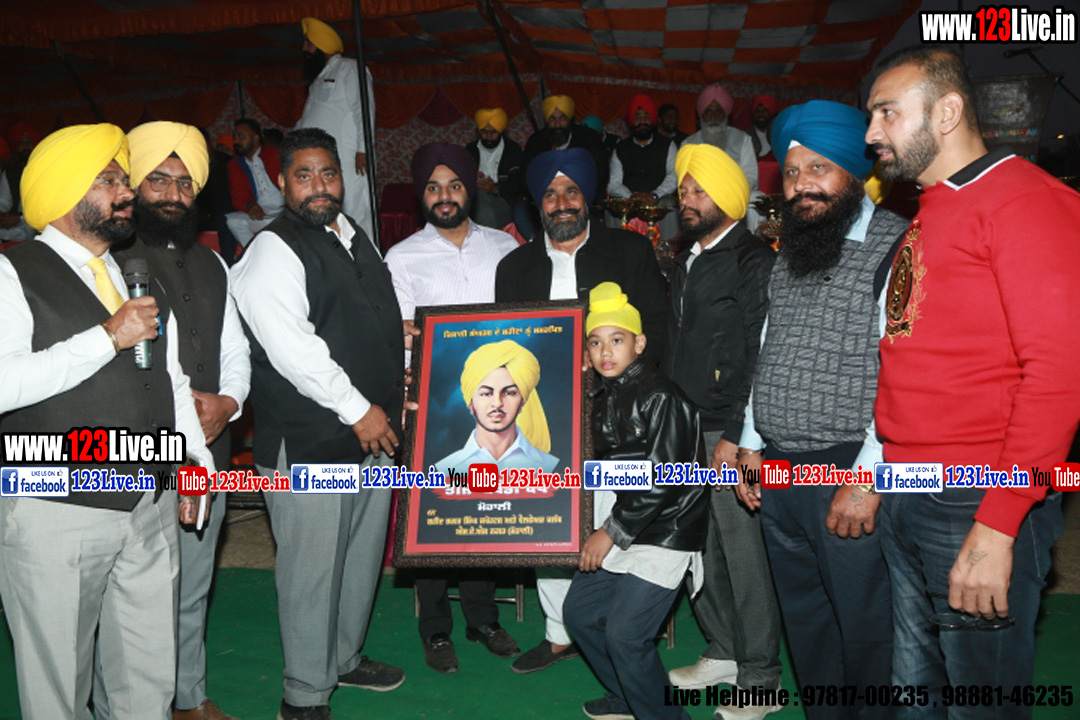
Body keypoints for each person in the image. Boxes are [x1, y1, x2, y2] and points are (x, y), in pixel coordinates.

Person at [866, 46, 1080, 717]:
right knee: (917, 696)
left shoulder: (1027, 201)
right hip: (908, 490)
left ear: (948, 111)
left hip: (973, 499)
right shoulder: (931, 208)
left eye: (887, 113)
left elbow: (1060, 375)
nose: (872, 132)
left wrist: (998, 523)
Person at [0, 122, 214, 719]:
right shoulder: (12, 273)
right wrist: (106, 337)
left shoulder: (130, 271)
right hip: (56, 509)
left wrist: (195, 463)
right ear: (65, 191)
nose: (126, 192)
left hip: (149, 505)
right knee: (58, 691)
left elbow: (170, 381)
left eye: (123, 179)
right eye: (109, 180)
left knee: (148, 679)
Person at [732, 100, 907, 720]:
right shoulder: (793, 248)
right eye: (792, 171)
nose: (801, 183)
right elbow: (768, 345)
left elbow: (904, 373)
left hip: (847, 469)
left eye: (818, 168)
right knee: (805, 619)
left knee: (864, 627)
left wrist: (868, 479)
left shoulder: (899, 246)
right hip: (779, 468)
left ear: (854, 172)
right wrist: (751, 443)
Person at [231, 127, 405, 720]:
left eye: (328, 173)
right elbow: (293, 350)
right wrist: (360, 410)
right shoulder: (272, 250)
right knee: (312, 571)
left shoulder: (354, 237)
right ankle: (303, 696)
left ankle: (343, 659)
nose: (318, 186)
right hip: (311, 439)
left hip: (372, 435)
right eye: (303, 175)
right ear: (283, 183)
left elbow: (362, 318)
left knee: (358, 557)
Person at [96, 121, 250, 720]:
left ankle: (188, 698)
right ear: (133, 187)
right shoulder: (108, 261)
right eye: (158, 180)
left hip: (210, 447)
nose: (172, 194)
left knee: (193, 585)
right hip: (137, 454)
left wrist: (229, 402)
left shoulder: (213, 262)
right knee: (128, 597)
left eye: (184, 183)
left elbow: (235, 347)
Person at [494, 147, 668, 674]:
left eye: (571, 191)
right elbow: (504, 344)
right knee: (549, 521)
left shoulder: (629, 250)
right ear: (537, 203)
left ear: (588, 197)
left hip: (621, 414)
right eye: (550, 194)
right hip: (545, 416)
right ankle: (558, 632)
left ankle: (616, 625)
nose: (562, 202)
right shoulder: (514, 267)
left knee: (616, 518)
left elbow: (657, 331)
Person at [386, 142, 520, 674]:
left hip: (496, 404)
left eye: (454, 185)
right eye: (433, 188)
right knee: (434, 514)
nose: (444, 196)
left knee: (483, 511)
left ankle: (483, 619)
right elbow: (396, 336)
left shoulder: (505, 248)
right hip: (430, 405)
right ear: (422, 195)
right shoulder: (402, 257)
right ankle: (435, 628)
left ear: (471, 190)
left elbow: (526, 321)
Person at [664, 142, 782, 720]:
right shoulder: (686, 258)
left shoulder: (752, 259)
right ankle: (724, 649)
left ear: (730, 197)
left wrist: (738, 433)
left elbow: (763, 353)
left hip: (726, 432)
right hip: (684, 427)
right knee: (699, 548)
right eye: (684, 190)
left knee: (742, 553)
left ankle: (761, 675)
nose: (688, 199)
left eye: (699, 190)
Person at [564, 282, 706, 720]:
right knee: (580, 614)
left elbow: (664, 480)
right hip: (629, 522)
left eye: (617, 340)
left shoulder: (662, 395)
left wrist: (609, 532)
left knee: (626, 635)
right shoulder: (604, 392)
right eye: (595, 342)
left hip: (667, 529)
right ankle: (629, 695)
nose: (605, 351)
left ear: (639, 343)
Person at [297, 16, 377, 240]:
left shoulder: (348, 68)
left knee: (354, 210)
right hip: (322, 161)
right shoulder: (318, 79)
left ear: (321, 45)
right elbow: (307, 118)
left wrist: (363, 148)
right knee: (328, 210)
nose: (304, 48)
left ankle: (366, 255)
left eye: (309, 43)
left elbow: (364, 108)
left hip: (349, 157)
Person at [435, 340, 560, 474]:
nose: (497, 402)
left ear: (522, 403)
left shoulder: (550, 468)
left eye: (509, 393)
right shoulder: (445, 471)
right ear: (471, 404)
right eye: (486, 394)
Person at [519, 95, 609, 237]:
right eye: (552, 119)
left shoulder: (589, 138)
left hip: (584, 200)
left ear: (571, 119)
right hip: (544, 201)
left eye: (563, 118)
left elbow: (600, 174)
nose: (558, 124)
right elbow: (526, 177)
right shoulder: (536, 141)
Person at [607, 93, 678, 239]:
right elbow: (614, 184)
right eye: (637, 117)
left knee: (670, 204)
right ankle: (615, 251)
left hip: (659, 199)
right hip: (630, 201)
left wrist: (654, 195)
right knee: (611, 208)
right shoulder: (620, 148)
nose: (642, 121)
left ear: (652, 119)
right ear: (631, 122)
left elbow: (674, 176)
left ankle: (669, 250)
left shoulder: (668, 145)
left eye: (646, 116)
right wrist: (632, 197)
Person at [683, 84, 758, 192]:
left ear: (725, 115)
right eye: (708, 112)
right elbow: (683, 178)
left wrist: (732, 192)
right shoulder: (688, 143)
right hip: (699, 195)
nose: (713, 117)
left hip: (733, 193)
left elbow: (751, 175)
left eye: (718, 112)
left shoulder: (743, 139)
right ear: (702, 116)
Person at [226, 118, 284, 250]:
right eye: (235, 137)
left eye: (241, 136)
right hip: (262, 214)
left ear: (256, 137)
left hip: (285, 212)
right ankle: (255, 252)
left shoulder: (276, 154)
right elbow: (237, 194)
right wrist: (250, 205)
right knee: (233, 221)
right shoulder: (235, 165)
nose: (236, 141)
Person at [464, 108, 524, 231]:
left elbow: (520, 184)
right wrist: (472, 178)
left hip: (504, 199)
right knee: (480, 197)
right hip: (475, 199)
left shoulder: (513, 150)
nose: (489, 136)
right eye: (484, 132)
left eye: (493, 132)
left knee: (485, 211)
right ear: (479, 131)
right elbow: (460, 180)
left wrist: (496, 188)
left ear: (501, 131)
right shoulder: (470, 150)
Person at [0, 121, 40, 242]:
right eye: (21, 143)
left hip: (40, 231)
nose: (26, 147)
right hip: (13, 233)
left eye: (29, 143)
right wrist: (3, 217)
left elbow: (49, 206)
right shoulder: (11, 172)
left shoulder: (46, 169)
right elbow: (3, 202)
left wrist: (20, 218)